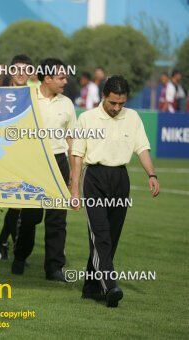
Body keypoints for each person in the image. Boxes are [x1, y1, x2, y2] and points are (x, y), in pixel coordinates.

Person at [70, 75, 160, 307]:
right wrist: (75, 191)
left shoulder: (133, 117)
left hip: (121, 179)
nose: (117, 108)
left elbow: (142, 148)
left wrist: (152, 174)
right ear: (104, 97)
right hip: (95, 179)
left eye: (122, 103)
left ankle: (90, 286)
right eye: (113, 103)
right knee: (100, 235)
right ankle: (110, 286)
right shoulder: (87, 118)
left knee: (111, 236)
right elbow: (77, 156)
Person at [11, 58, 75, 281]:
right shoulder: (26, 97)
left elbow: (71, 138)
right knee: (31, 217)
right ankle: (20, 256)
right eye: (61, 77)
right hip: (33, 163)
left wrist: (74, 175)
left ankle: (54, 268)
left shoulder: (67, 103)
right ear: (47, 79)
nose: (65, 81)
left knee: (57, 218)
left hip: (59, 162)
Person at [0, 54, 32, 260]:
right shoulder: (2, 95)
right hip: (6, 154)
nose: (21, 73)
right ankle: (3, 242)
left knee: (23, 204)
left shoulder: (35, 94)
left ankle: (2, 242)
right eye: (17, 69)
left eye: (26, 69)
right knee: (17, 203)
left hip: (28, 156)